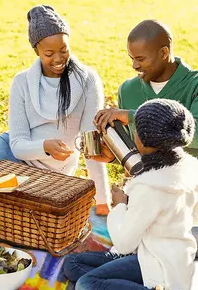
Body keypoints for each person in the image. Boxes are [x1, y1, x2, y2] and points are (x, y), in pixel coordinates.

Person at [0, 5, 110, 214]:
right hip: (10, 153)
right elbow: (17, 145)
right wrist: (44, 146)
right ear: (36, 51)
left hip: (46, 176)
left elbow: (91, 146)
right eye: (49, 53)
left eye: (64, 49)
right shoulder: (22, 82)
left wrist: (103, 201)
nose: (59, 59)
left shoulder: (88, 80)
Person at [63, 99, 198, 290]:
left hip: (158, 266)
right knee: (72, 264)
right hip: (166, 256)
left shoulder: (149, 187)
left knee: (86, 283)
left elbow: (124, 243)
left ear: (142, 140)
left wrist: (120, 205)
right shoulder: (188, 167)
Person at [94, 19, 198, 160]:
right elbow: (136, 151)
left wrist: (133, 117)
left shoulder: (194, 85)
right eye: (132, 58)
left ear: (164, 53)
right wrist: (114, 156)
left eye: (140, 59)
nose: (134, 65)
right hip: (148, 179)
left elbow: (195, 134)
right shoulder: (128, 90)